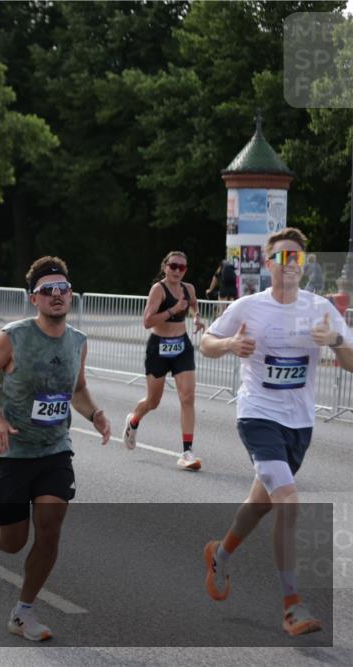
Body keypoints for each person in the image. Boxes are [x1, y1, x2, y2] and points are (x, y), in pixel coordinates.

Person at [199, 227, 352, 637]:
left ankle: (221, 554)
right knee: (288, 501)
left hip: (299, 423)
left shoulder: (319, 308)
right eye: (282, 258)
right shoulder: (249, 306)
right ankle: (291, 605)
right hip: (257, 415)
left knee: (261, 503)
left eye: (297, 258)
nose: (290, 265)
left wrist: (336, 340)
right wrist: (231, 343)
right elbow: (205, 341)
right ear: (269, 265)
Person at [0, 256, 111, 642]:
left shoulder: (78, 342)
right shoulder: (14, 336)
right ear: (34, 299)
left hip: (54, 450)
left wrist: (94, 413)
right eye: (47, 290)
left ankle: (24, 611)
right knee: (14, 541)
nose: (56, 296)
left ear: (71, 296)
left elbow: (77, 389)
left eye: (62, 289)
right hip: (12, 452)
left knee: (49, 531)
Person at [122, 251, 206, 470]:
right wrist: (172, 310)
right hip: (158, 348)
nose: (177, 271)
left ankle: (187, 451)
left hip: (181, 347)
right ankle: (133, 420)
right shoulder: (158, 290)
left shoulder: (188, 289)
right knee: (153, 401)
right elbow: (147, 321)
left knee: (187, 397)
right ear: (165, 266)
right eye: (173, 266)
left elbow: (194, 303)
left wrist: (196, 316)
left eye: (182, 268)